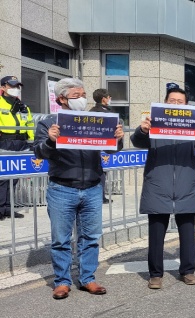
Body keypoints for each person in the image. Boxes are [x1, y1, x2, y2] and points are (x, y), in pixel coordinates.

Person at [33, 77, 124, 299]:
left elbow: (111, 150)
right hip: (62, 188)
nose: (82, 99)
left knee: (90, 237)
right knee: (61, 239)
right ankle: (62, 281)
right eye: (76, 96)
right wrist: (51, 140)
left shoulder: (96, 119)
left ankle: (88, 278)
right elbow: (38, 151)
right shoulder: (48, 123)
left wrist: (118, 140)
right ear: (61, 99)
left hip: (92, 187)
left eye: (83, 95)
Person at [131, 83, 195, 289]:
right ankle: (155, 274)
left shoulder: (194, 125)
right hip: (158, 186)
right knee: (156, 234)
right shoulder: (155, 124)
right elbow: (137, 141)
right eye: (172, 101)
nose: (176, 104)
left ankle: (188, 271)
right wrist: (143, 130)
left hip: (187, 185)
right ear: (165, 103)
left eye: (180, 102)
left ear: (186, 106)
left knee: (187, 234)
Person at [0, 75, 35, 220]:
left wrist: (32, 141)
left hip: (21, 143)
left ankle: (9, 208)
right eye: (12, 86)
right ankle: (0, 209)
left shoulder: (23, 106)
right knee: (2, 178)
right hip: (5, 141)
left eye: (17, 86)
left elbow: (29, 124)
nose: (15, 89)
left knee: (14, 177)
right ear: (3, 87)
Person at [89, 88, 114, 204]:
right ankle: (101, 196)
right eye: (109, 97)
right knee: (100, 173)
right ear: (104, 99)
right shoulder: (106, 113)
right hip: (103, 147)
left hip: (93, 147)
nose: (110, 99)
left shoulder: (91, 111)